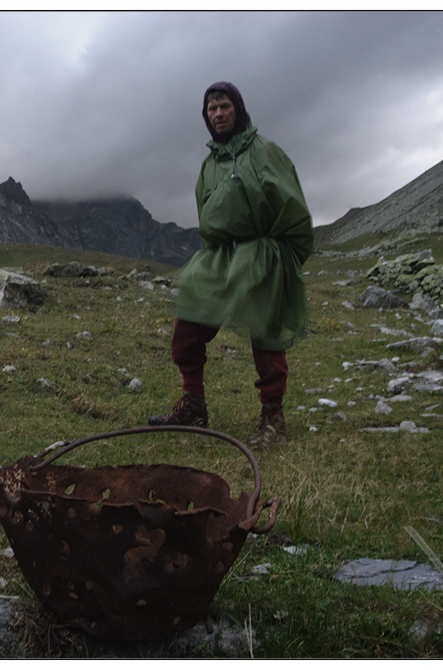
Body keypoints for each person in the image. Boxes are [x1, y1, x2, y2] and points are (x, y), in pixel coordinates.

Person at [149, 82, 314, 447]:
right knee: (188, 318)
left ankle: (273, 416)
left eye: (224, 107)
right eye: (212, 110)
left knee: (267, 332)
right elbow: (206, 210)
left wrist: (282, 258)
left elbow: (293, 207)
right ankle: (193, 404)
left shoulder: (265, 151)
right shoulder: (210, 165)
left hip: (262, 250)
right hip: (222, 252)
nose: (219, 114)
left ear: (237, 109)